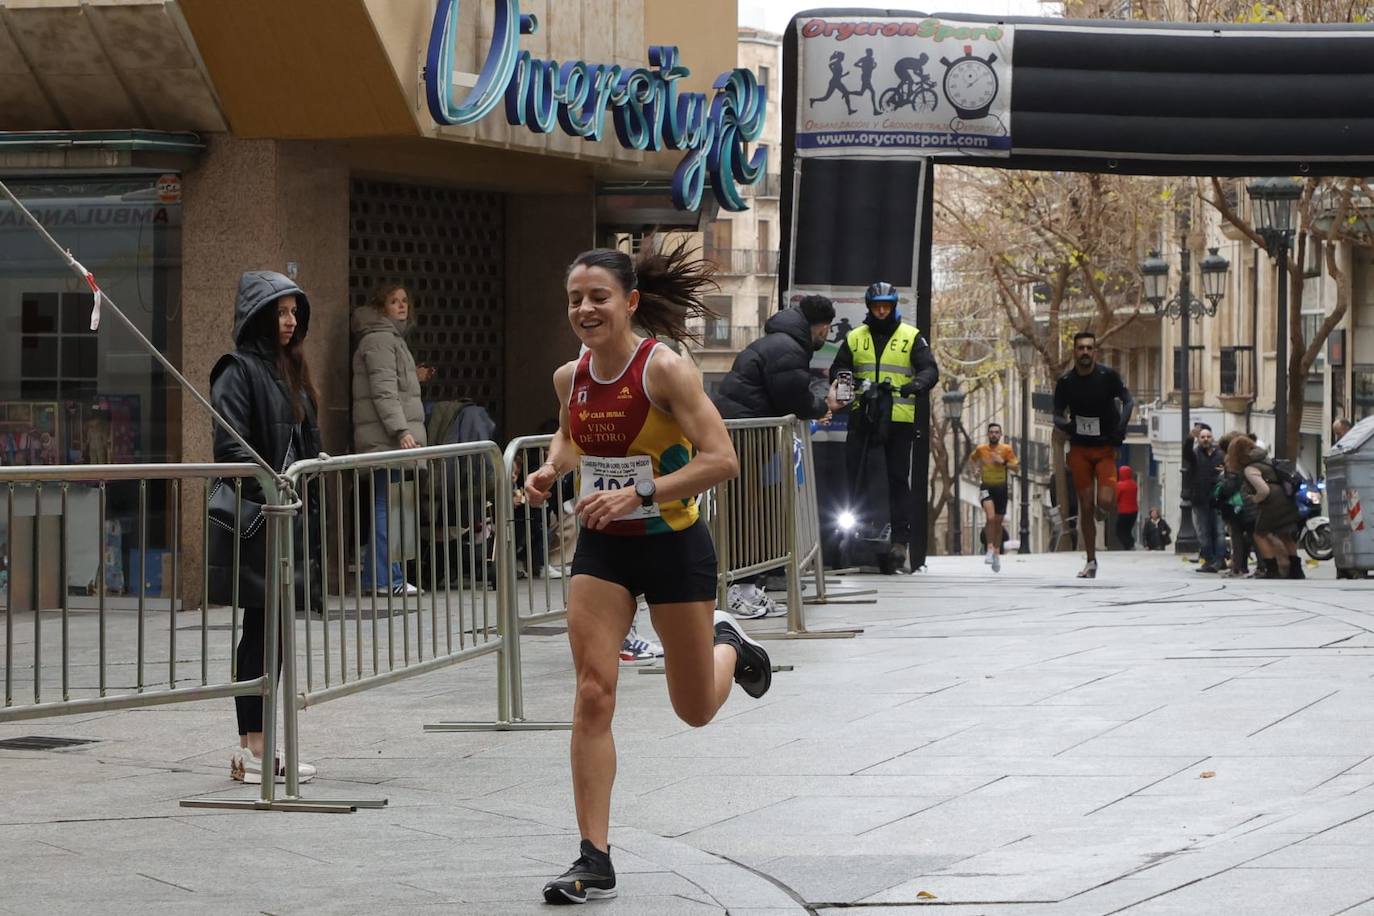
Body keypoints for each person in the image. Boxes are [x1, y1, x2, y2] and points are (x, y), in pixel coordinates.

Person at [524, 241, 773, 905]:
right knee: (593, 691)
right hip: (604, 548)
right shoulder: (567, 378)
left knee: (693, 710)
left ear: (629, 302)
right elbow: (572, 435)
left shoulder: (665, 371)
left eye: (598, 297)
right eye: (575, 298)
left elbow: (722, 459)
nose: (584, 308)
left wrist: (640, 492)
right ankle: (593, 858)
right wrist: (553, 468)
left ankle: (731, 646)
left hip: (673, 544)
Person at [209, 270, 320, 786]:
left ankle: (260, 745)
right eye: (280, 311)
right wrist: (273, 493)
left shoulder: (291, 369)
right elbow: (230, 448)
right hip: (257, 519)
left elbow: (305, 441)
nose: (290, 320)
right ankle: (250, 746)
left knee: (273, 631)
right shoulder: (237, 370)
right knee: (258, 630)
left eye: (295, 311)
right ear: (258, 313)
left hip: (289, 517)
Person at [715, 294, 842, 615]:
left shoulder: (778, 342)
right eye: (826, 331)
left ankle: (747, 585)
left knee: (755, 510)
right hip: (747, 436)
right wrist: (821, 406)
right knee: (749, 512)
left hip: (745, 433)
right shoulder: (787, 347)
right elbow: (792, 397)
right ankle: (737, 588)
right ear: (823, 327)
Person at [829, 281, 939, 573]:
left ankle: (900, 541)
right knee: (856, 477)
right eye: (876, 306)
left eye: (886, 306)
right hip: (863, 416)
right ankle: (849, 534)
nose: (881, 311)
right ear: (868, 307)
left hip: (898, 419)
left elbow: (930, 369)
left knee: (897, 480)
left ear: (893, 306)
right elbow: (839, 369)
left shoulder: (911, 337)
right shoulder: (855, 337)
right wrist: (844, 386)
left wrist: (915, 384)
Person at [352, 284, 427, 596]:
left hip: (386, 437)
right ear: (380, 307)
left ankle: (381, 575)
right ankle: (387, 577)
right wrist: (401, 430)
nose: (401, 306)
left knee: (389, 504)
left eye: (404, 301)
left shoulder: (390, 339)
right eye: (393, 301)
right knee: (387, 505)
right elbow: (384, 390)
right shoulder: (381, 339)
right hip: (386, 439)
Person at [1052, 330, 1133, 579]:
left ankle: (1102, 510)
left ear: (1095, 351)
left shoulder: (1107, 377)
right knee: (1085, 505)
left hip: (1105, 447)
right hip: (1079, 449)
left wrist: (1121, 428)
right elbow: (1056, 413)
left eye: (1089, 348)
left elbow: (1128, 401)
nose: (1085, 352)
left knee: (1105, 502)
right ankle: (1091, 560)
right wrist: (1065, 426)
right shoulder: (1066, 382)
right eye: (1080, 348)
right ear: (1074, 352)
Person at [1231, 435, 1304, 579]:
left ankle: (1272, 570)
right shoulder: (1264, 459)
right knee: (1285, 534)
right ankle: (1296, 570)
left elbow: (1263, 490)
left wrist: (1255, 498)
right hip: (1285, 498)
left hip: (1271, 502)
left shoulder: (1250, 467)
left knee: (1259, 534)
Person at [968, 422, 1018, 573]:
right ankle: (989, 548)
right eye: (991, 432)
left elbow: (1016, 466)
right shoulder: (981, 449)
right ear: (988, 434)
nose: (994, 435)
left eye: (997, 432)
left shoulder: (1006, 450)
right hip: (986, 487)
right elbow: (972, 459)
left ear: (1000, 435)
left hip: (1001, 488)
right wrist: (975, 470)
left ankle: (996, 552)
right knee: (990, 518)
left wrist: (1003, 462)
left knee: (998, 522)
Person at [1182, 422, 1226, 573]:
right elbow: (1186, 453)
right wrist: (1189, 438)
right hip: (1200, 499)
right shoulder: (1194, 454)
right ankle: (1209, 560)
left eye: (1208, 436)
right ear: (1198, 439)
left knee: (1219, 531)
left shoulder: (1220, 455)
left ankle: (1219, 560)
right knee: (1203, 532)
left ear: (1212, 438)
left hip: (1217, 500)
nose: (1206, 439)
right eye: (1202, 437)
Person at [1115, 465, 1139, 550]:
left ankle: (1129, 545)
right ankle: (1130, 544)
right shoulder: (1134, 484)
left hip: (1124, 511)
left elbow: (1116, 498)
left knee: (1119, 530)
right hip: (1134, 511)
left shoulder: (1120, 485)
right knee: (1128, 529)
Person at [854, 48, 880, 115]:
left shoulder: (872, 59)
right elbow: (855, 64)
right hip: (865, 77)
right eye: (870, 52)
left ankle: (847, 93)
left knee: (861, 93)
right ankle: (875, 110)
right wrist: (862, 67)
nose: (872, 53)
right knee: (873, 92)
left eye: (872, 52)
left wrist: (875, 66)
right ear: (867, 53)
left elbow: (870, 69)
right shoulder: (864, 59)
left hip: (867, 77)